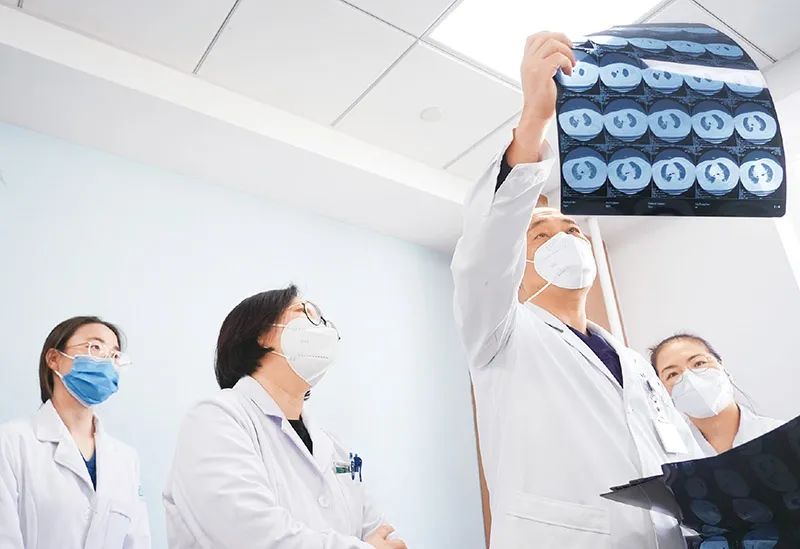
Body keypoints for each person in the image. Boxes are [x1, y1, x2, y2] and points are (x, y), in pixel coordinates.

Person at [451, 31, 703, 548]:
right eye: (542, 235)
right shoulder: (499, 335)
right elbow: (486, 248)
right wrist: (535, 118)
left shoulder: (632, 363)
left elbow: (677, 456)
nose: (566, 237)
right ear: (517, 266)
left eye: (572, 230)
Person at [163, 286, 406, 549]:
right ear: (260, 335)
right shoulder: (215, 418)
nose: (322, 328)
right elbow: (252, 536)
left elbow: (383, 535)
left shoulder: (331, 446)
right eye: (304, 312)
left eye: (322, 319)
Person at [0, 316, 151, 548]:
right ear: (54, 359)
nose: (107, 362)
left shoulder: (126, 459)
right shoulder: (11, 443)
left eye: (114, 355)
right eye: (95, 347)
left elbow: (137, 541)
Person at [650, 334, 784, 455]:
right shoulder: (672, 458)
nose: (689, 379)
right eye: (672, 374)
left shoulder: (782, 434)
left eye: (699, 363)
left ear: (721, 366)